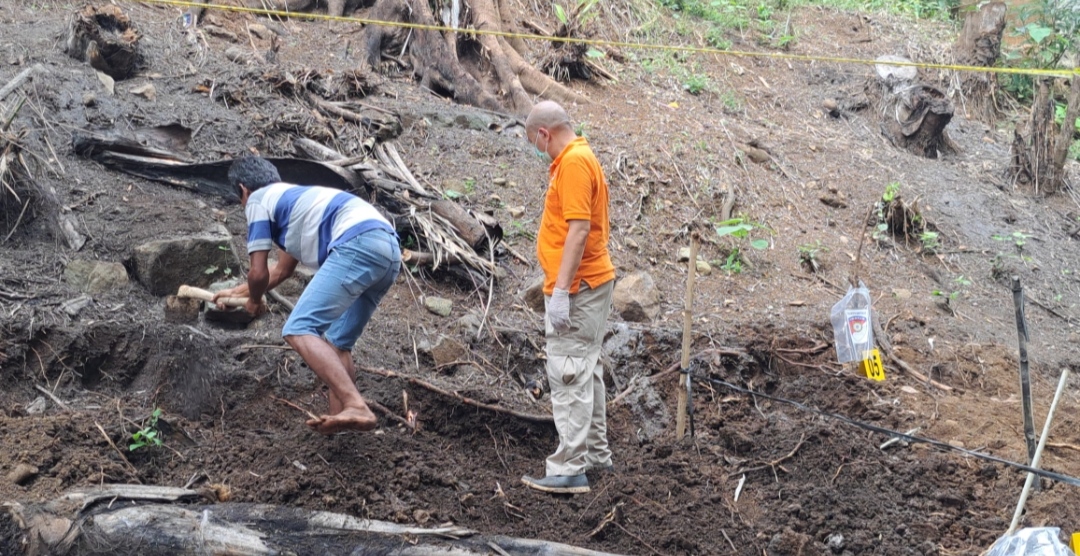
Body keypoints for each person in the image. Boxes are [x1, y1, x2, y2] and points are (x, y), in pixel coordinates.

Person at [214, 156, 401, 435]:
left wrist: (253, 302)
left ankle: (355, 405)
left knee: (299, 328)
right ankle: (343, 428)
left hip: (357, 242)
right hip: (387, 250)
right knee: (338, 344)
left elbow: (258, 272)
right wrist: (235, 293)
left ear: (243, 190)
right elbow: (280, 271)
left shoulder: (258, 200)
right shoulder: (292, 200)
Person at [520, 101, 616, 495]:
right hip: (589, 283)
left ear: (545, 133)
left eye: (537, 144)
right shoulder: (580, 158)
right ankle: (594, 455)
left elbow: (578, 230)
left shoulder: (574, 162)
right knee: (586, 367)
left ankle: (569, 468)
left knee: (570, 369)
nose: (540, 151)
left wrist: (561, 290)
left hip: (579, 288)